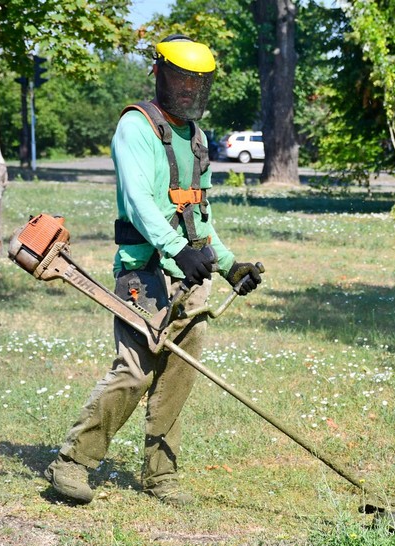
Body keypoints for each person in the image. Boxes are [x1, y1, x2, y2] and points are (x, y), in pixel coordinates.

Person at [44, 35, 262, 506]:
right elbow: (141, 203)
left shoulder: (197, 137)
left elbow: (199, 213)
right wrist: (176, 248)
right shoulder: (136, 127)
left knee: (179, 376)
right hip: (144, 272)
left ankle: (160, 476)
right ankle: (72, 463)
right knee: (136, 371)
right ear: (161, 74)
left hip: (191, 277)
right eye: (181, 80)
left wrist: (227, 265)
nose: (189, 92)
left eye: (198, 84)